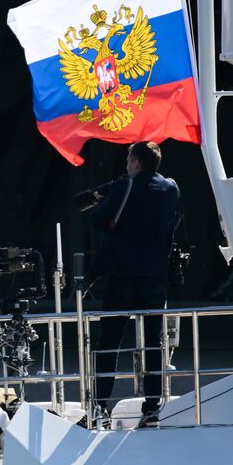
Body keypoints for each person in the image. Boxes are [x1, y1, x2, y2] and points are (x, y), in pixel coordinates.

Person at [89, 141, 182, 426]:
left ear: (136, 163)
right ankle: (152, 407)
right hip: (155, 275)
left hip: (122, 275)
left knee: (109, 343)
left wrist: (103, 198)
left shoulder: (123, 187)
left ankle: (101, 406)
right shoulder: (171, 188)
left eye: (129, 160)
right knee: (154, 343)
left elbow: (98, 220)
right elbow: (174, 223)